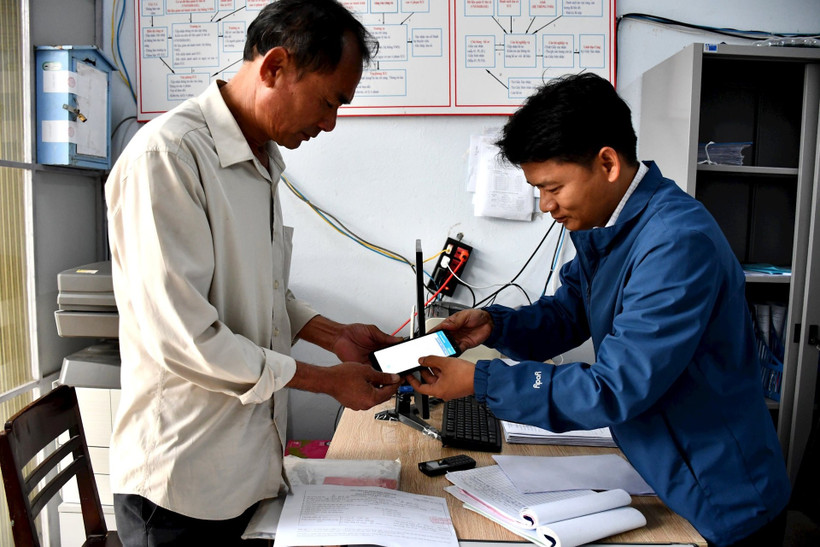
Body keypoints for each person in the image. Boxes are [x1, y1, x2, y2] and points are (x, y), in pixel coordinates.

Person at [407, 73, 791, 547]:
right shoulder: (607, 226)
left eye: (553, 188)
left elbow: (616, 386)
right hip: (664, 466)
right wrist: (494, 325)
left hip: (720, 496)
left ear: (607, 162)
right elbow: (570, 313)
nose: (546, 206)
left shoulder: (675, 242)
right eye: (537, 191)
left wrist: (480, 381)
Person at [105, 1, 402, 544]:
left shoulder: (261, 160)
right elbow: (187, 338)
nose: (331, 123)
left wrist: (336, 336)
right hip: (183, 484)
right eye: (330, 101)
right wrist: (325, 383)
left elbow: (262, 293)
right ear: (275, 68)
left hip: (248, 472)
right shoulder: (168, 157)